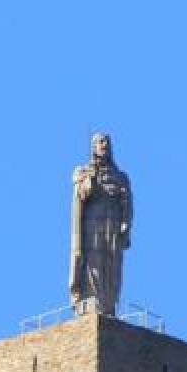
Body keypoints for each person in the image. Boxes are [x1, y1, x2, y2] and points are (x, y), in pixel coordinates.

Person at [69, 133, 133, 316]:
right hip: (91, 223)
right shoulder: (83, 172)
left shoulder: (120, 177)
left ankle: (108, 304)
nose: (104, 144)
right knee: (93, 261)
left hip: (112, 224)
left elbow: (127, 203)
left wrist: (125, 224)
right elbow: (82, 194)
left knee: (111, 263)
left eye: (106, 142)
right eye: (100, 142)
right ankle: (91, 301)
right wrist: (92, 177)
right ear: (93, 147)